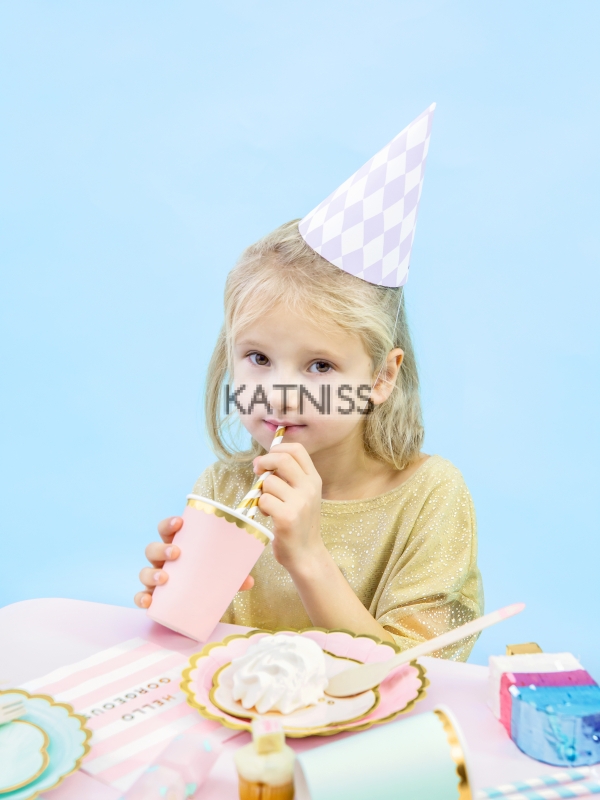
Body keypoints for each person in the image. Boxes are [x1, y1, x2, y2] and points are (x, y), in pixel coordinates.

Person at [134, 220, 483, 660]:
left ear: (381, 377)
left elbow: (419, 673)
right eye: (258, 357)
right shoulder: (225, 489)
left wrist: (308, 556)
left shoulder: (431, 496)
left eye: (320, 366)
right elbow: (201, 659)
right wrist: (179, 603)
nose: (279, 394)